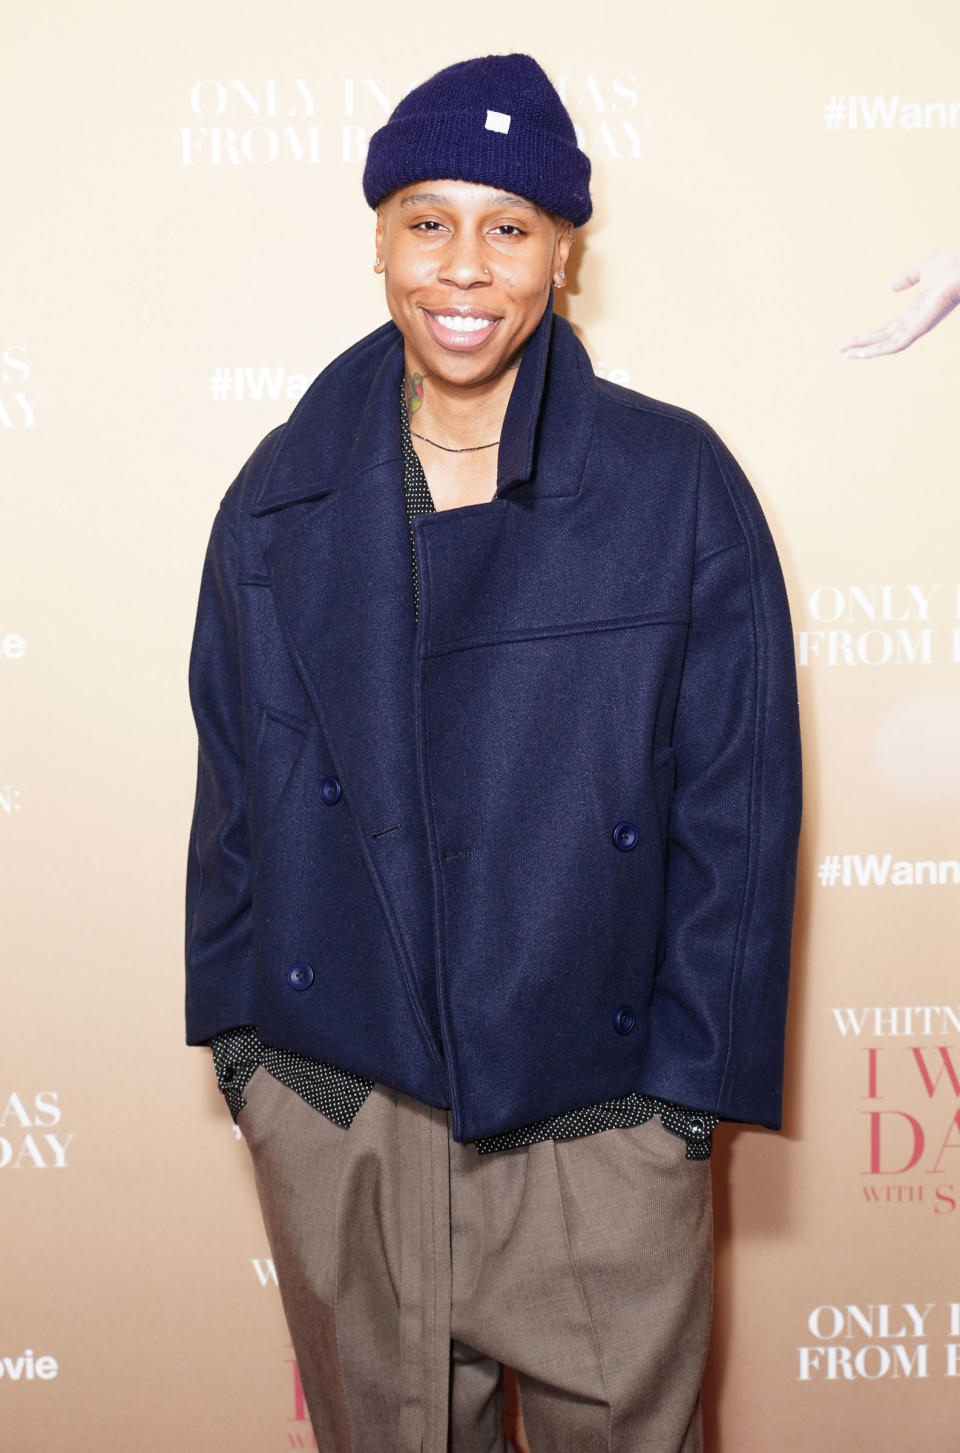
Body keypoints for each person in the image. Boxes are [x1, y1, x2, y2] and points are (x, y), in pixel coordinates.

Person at [184, 51, 802, 1453]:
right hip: (350, 1109)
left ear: (566, 251)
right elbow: (235, 789)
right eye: (427, 220)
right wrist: (253, 1066)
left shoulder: (676, 486)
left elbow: (738, 816)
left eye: (509, 226)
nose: (464, 267)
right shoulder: (279, 498)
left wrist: (678, 1120)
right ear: (382, 237)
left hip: (594, 1116)